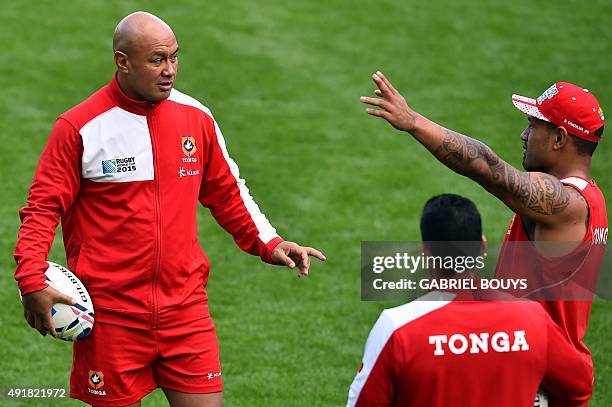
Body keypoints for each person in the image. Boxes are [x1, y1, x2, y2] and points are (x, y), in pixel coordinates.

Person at [14, 11, 325, 407]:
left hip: (185, 311)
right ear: (122, 62)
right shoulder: (80, 128)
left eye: (175, 57)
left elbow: (227, 191)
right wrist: (32, 281)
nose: (170, 70)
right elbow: (42, 208)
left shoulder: (196, 118)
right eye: (157, 60)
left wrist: (270, 242)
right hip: (113, 318)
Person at [360, 73, 607, 363]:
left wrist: (414, 122)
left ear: (559, 138)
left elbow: (485, 166)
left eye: (533, 125)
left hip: (537, 376)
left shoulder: (567, 206)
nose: (524, 135)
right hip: (537, 360)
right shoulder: (591, 199)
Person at [347, 194, 593, 407]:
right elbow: (578, 387)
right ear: (482, 247)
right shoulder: (533, 319)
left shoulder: (397, 328)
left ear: (425, 253)